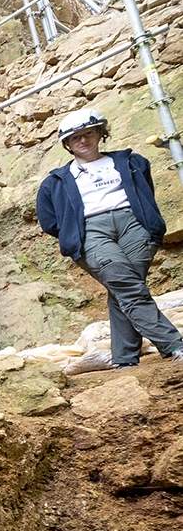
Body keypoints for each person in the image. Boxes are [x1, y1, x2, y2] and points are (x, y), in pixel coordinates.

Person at [37, 108, 183, 367]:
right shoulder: (55, 182)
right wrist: (75, 234)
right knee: (128, 287)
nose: (83, 140)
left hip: (133, 225)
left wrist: (149, 225)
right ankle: (174, 345)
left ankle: (125, 359)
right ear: (67, 145)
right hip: (91, 231)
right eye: (75, 138)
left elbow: (145, 193)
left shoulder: (132, 162)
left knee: (125, 290)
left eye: (88, 133)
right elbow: (49, 221)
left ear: (100, 133)